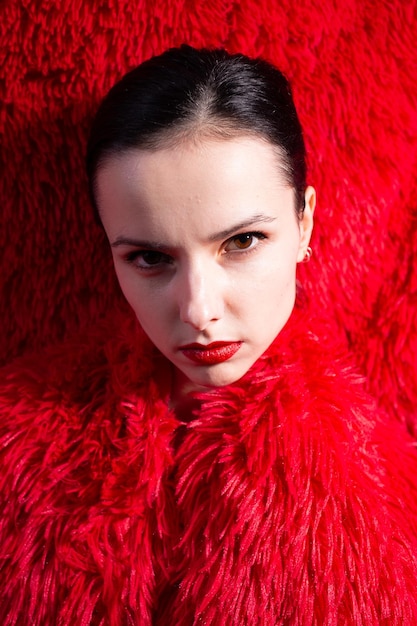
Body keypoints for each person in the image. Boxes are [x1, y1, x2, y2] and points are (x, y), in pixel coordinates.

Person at [1, 44, 417, 625]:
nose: (198, 311)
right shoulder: (13, 446)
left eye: (242, 242)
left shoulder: (392, 505)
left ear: (305, 224)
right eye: (149, 257)